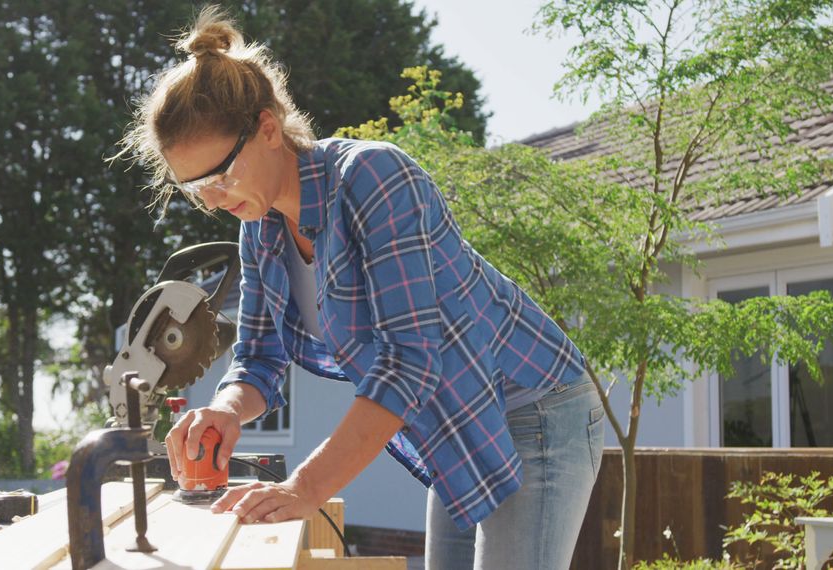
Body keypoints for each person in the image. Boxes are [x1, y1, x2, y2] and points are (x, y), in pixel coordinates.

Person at [116, 6, 604, 569]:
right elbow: (257, 360)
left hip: (535, 404)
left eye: (220, 174)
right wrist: (225, 410)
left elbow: (407, 363)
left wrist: (305, 487)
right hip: (453, 415)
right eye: (195, 186)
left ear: (269, 128)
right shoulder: (261, 231)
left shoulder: (374, 178)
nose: (212, 199)